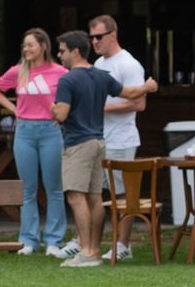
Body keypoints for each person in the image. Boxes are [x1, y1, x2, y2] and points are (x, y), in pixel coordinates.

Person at [50, 30, 157, 268]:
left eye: (62, 51)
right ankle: (95, 250)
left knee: (76, 197)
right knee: (95, 198)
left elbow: (62, 113)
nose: (59, 56)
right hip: (99, 143)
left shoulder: (67, 80)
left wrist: (52, 108)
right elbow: (129, 93)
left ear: (75, 51)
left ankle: (87, 251)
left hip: (77, 144)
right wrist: (148, 87)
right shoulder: (100, 75)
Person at [0, 28, 68, 256]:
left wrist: (62, 114)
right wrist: (14, 109)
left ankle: (54, 241)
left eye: (31, 45)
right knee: (27, 190)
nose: (26, 49)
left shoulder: (60, 72)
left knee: (54, 189)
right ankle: (28, 240)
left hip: (50, 131)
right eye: (24, 45)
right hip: (24, 132)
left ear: (43, 46)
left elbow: (72, 96)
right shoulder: (18, 71)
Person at [89, 15, 147, 261]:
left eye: (99, 37)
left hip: (122, 139)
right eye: (91, 37)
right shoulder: (97, 64)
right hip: (99, 138)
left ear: (113, 34)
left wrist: (103, 107)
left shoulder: (129, 64)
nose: (94, 42)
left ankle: (123, 245)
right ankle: (93, 243)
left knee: (123, 194)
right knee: (98, 192)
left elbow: (140, 102)